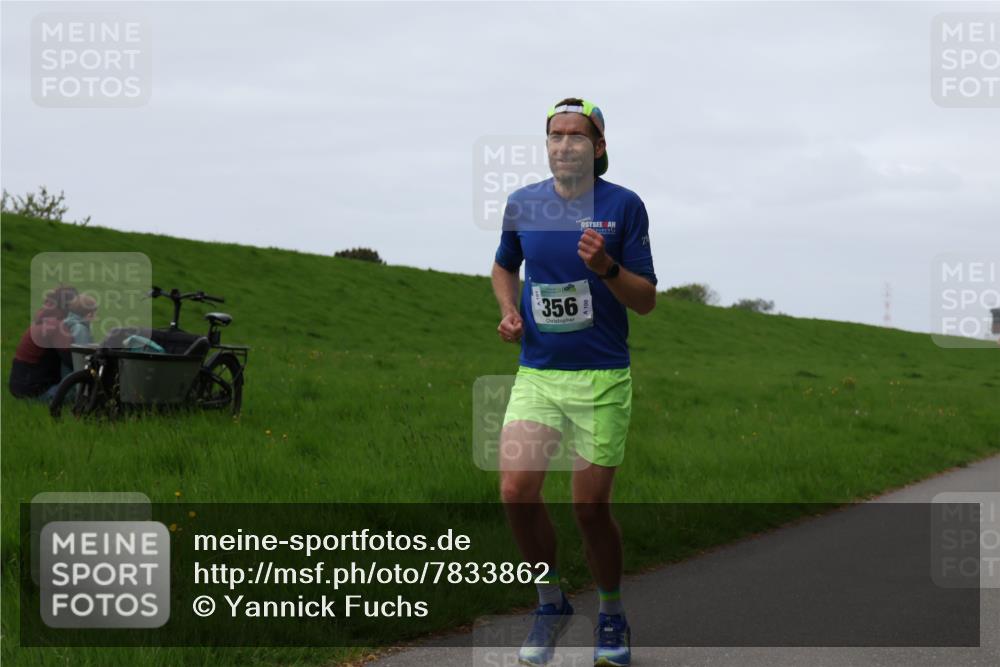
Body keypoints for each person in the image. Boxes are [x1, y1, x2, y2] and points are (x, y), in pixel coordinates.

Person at [491, 98, 657, 667]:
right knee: (515, 491)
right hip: (538, 374)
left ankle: (610, 614)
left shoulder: (624, 207)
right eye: (554, 135)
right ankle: (550, 602)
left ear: (599, 147)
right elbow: (503, 264)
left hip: (602, 378)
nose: (564, 144)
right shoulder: (523, 204)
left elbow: (647, 301)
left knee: (589, 509)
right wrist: (510, 309)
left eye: (576, 136)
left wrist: (608, 268)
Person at [9, 285, 78, 402]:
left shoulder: (45, 316)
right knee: (75, 375)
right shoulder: (56, 324)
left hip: (20, 387)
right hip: (35, 391)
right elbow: (72, 361)